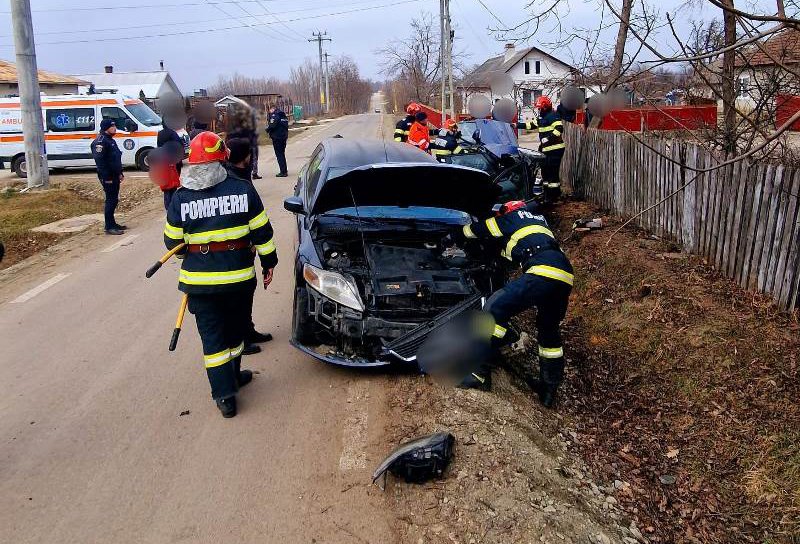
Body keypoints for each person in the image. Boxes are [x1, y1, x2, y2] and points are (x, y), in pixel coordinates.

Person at [163, 131, 278, 418]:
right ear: (222, 158)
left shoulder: (181, 196)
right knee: (236, 332)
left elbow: (172, 242)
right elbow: (262, 232)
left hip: (199, 285)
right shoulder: (242, 189)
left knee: (213, 339)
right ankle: (233, 377)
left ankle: (225, 395)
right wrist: (269, 262)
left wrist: (191, 252)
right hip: (238, 279)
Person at [452, 200, 573, 408]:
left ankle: (479, 372)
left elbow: (478, 229)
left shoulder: (512, 218)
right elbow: (509, 255)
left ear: (508, 212)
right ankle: (548, 389)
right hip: (564, 276)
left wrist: (453, 235)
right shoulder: (538, 222)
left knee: (493, 309)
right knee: (548, 331)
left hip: (541, 272)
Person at [225, 136, 276, 356]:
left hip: (245, 248)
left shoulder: (238, 176)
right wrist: (269, 261)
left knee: (246, 294)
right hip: (234, 251)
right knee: (237, 298)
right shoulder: (234, 181)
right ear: (246, 157)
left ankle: (248, 331)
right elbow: (259, 225)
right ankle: (240, 341)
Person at [517, 96, 565, 200]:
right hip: (546, 150)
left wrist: (548, 139)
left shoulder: (553, 116)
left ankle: (554, 196)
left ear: (545, 107)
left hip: (555, 150)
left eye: (540, 108)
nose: (539, 110)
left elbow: (559, 128)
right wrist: (516, 125)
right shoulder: (542, 117)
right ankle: (547, 194)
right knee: (545, 172)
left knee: (552, 174)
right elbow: (532, 125)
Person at [91, 119, 126, 235]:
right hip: (108, 176)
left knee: (114, 199)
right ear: (106, 128)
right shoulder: (100, 142)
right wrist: (107, 177)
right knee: (110, 200)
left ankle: (113, 223)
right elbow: (101, 162)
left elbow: (115, 159)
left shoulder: (110, 140)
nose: (115, 128)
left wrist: (120, 172)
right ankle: (109, 226)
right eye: (112, 126)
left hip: (114, 175)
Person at [266, 104, 289, 177]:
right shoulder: (283, 115)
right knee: (282, 154)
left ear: (273, 109)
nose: (269, 112)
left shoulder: (275, 115)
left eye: (270, 110)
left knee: (279, 155)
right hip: (284, 137)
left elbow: (272, 125)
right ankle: (284, 169)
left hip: (277, 138)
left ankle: (283, 172)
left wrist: (267, 129)